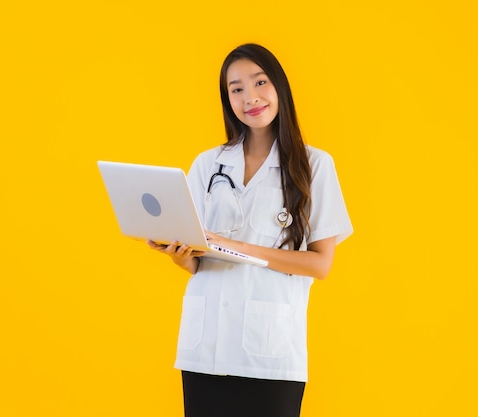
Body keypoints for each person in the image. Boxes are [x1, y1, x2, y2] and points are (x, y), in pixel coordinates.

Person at [148, 43, 353, 417]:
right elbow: (201, 261)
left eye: (260, 83)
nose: (250, 98)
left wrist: (234, 245)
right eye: (236, 89)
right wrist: (181, 257)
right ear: (227, 99)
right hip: (205, 348)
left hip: (269, 354)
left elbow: (320, 265)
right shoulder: (208, 164)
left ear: (279, 87)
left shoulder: (314, 166)